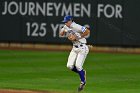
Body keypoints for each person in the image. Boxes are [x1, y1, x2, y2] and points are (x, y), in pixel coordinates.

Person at [59, 15, 90, 92]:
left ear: (70, 21)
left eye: (66, 22)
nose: (65, 23)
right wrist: (64, 32)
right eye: (65, 22)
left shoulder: (76, 26)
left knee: (78, 66)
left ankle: (83, 82)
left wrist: (78, 37)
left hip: (82, 48)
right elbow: (61, 33)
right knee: (69, 66)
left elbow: (87, 31)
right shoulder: (66, 26)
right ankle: (82, 72)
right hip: (74, 48)